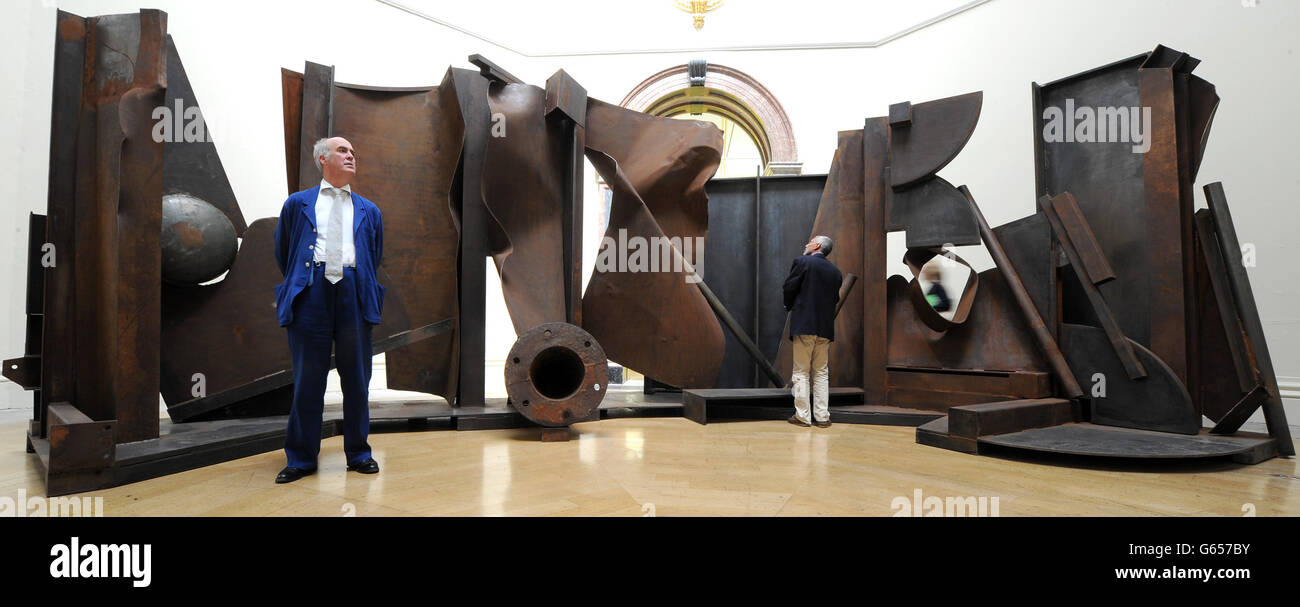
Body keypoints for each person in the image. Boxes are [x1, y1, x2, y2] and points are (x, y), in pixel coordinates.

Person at [272, 136, 385, 484]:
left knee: (357, 379)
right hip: (311, 292)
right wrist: (308, 279)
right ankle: (301, 459)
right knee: (308, 379)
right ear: (323, 158)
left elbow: (374, 254)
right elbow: (284, 252)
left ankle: (359, 453)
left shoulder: (370, 209)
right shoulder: (297, 204)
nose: (352, 155)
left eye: (354, 152)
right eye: (343, 150)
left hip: (354, 291)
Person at [782, 235, 842, 428]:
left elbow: (789, 287)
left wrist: (789, 305)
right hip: (824, 327)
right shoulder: (836, 272)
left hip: (804, 324)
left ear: (816, 246)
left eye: (809, 242)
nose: (805, 244)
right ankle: (823, 417)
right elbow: (835, 299)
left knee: (801, 371)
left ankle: (802, 416)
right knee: (821, 372)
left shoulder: (802, 262)